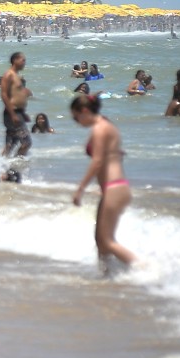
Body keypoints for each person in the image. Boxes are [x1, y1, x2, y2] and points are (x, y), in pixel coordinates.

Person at [71, 93, 136, 269]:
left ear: (84, 111)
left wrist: (80, 189)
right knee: (100, 241)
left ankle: (147, 269)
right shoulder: (106, 125)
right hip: (112, 188)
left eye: (76, 117)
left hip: (114, 187)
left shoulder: (100, 128)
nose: (76, 122)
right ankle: (106, 279)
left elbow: (97, 161)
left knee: (107, 242)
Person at [1, 52, 32, 157]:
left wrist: (22, 113)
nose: (24, 63)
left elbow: (15, 95)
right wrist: (13, 114)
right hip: (12, 114)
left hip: (17, 113)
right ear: (15, 60)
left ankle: (0, 166)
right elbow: (4, 94)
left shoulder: (16, 76)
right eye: (23, 60)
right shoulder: (9, 74)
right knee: (26, 143)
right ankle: (14, 166)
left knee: (10, 145)